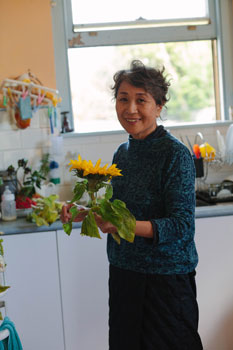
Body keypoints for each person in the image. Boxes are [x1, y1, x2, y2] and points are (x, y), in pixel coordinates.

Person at [61, 60, 203, 350]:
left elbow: (181, 226)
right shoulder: (122, 154)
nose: (131, 109)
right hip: (125, 273)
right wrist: (83, 214)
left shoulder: (175, 155)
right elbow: (118, 211)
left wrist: (124, 226)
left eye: (141, 100)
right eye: (123, 99)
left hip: (167, 281)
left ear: (159, 106)